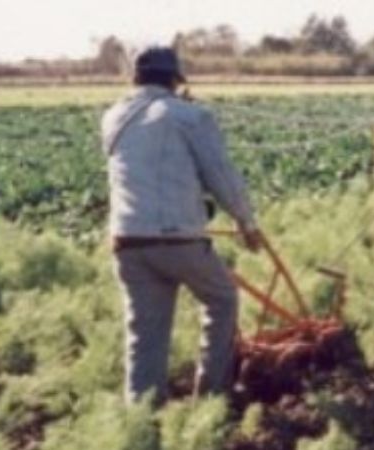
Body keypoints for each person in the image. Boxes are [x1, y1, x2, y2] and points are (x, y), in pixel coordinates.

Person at [100, 45, 262, 405]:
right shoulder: (189, 116)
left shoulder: (113, 117)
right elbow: (220, 175)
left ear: (136, 78)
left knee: (145, 333)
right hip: (179, 241)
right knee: (221, 299)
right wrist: (247, 223)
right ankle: (211, 396)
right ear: (174, 79)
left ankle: (142, 418)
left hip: (127, 243)